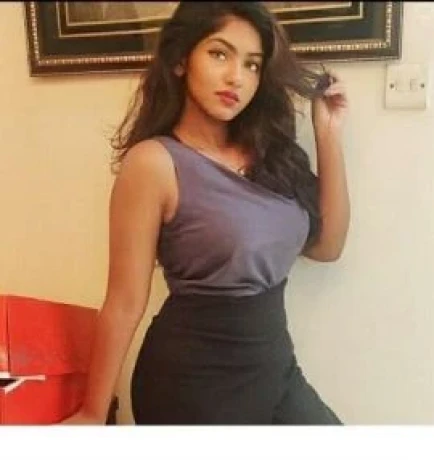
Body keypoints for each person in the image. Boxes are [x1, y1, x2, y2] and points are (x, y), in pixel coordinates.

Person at [63, 1, 350, 425]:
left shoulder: (272, 158)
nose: (237, 77)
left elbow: (328, 247)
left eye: (252, 65)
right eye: (219, 54)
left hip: (275, 372)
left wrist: (328, 133)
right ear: (181, 60)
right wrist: (93, 412)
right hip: (193, 384)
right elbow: (124, 302)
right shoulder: (153, 163)